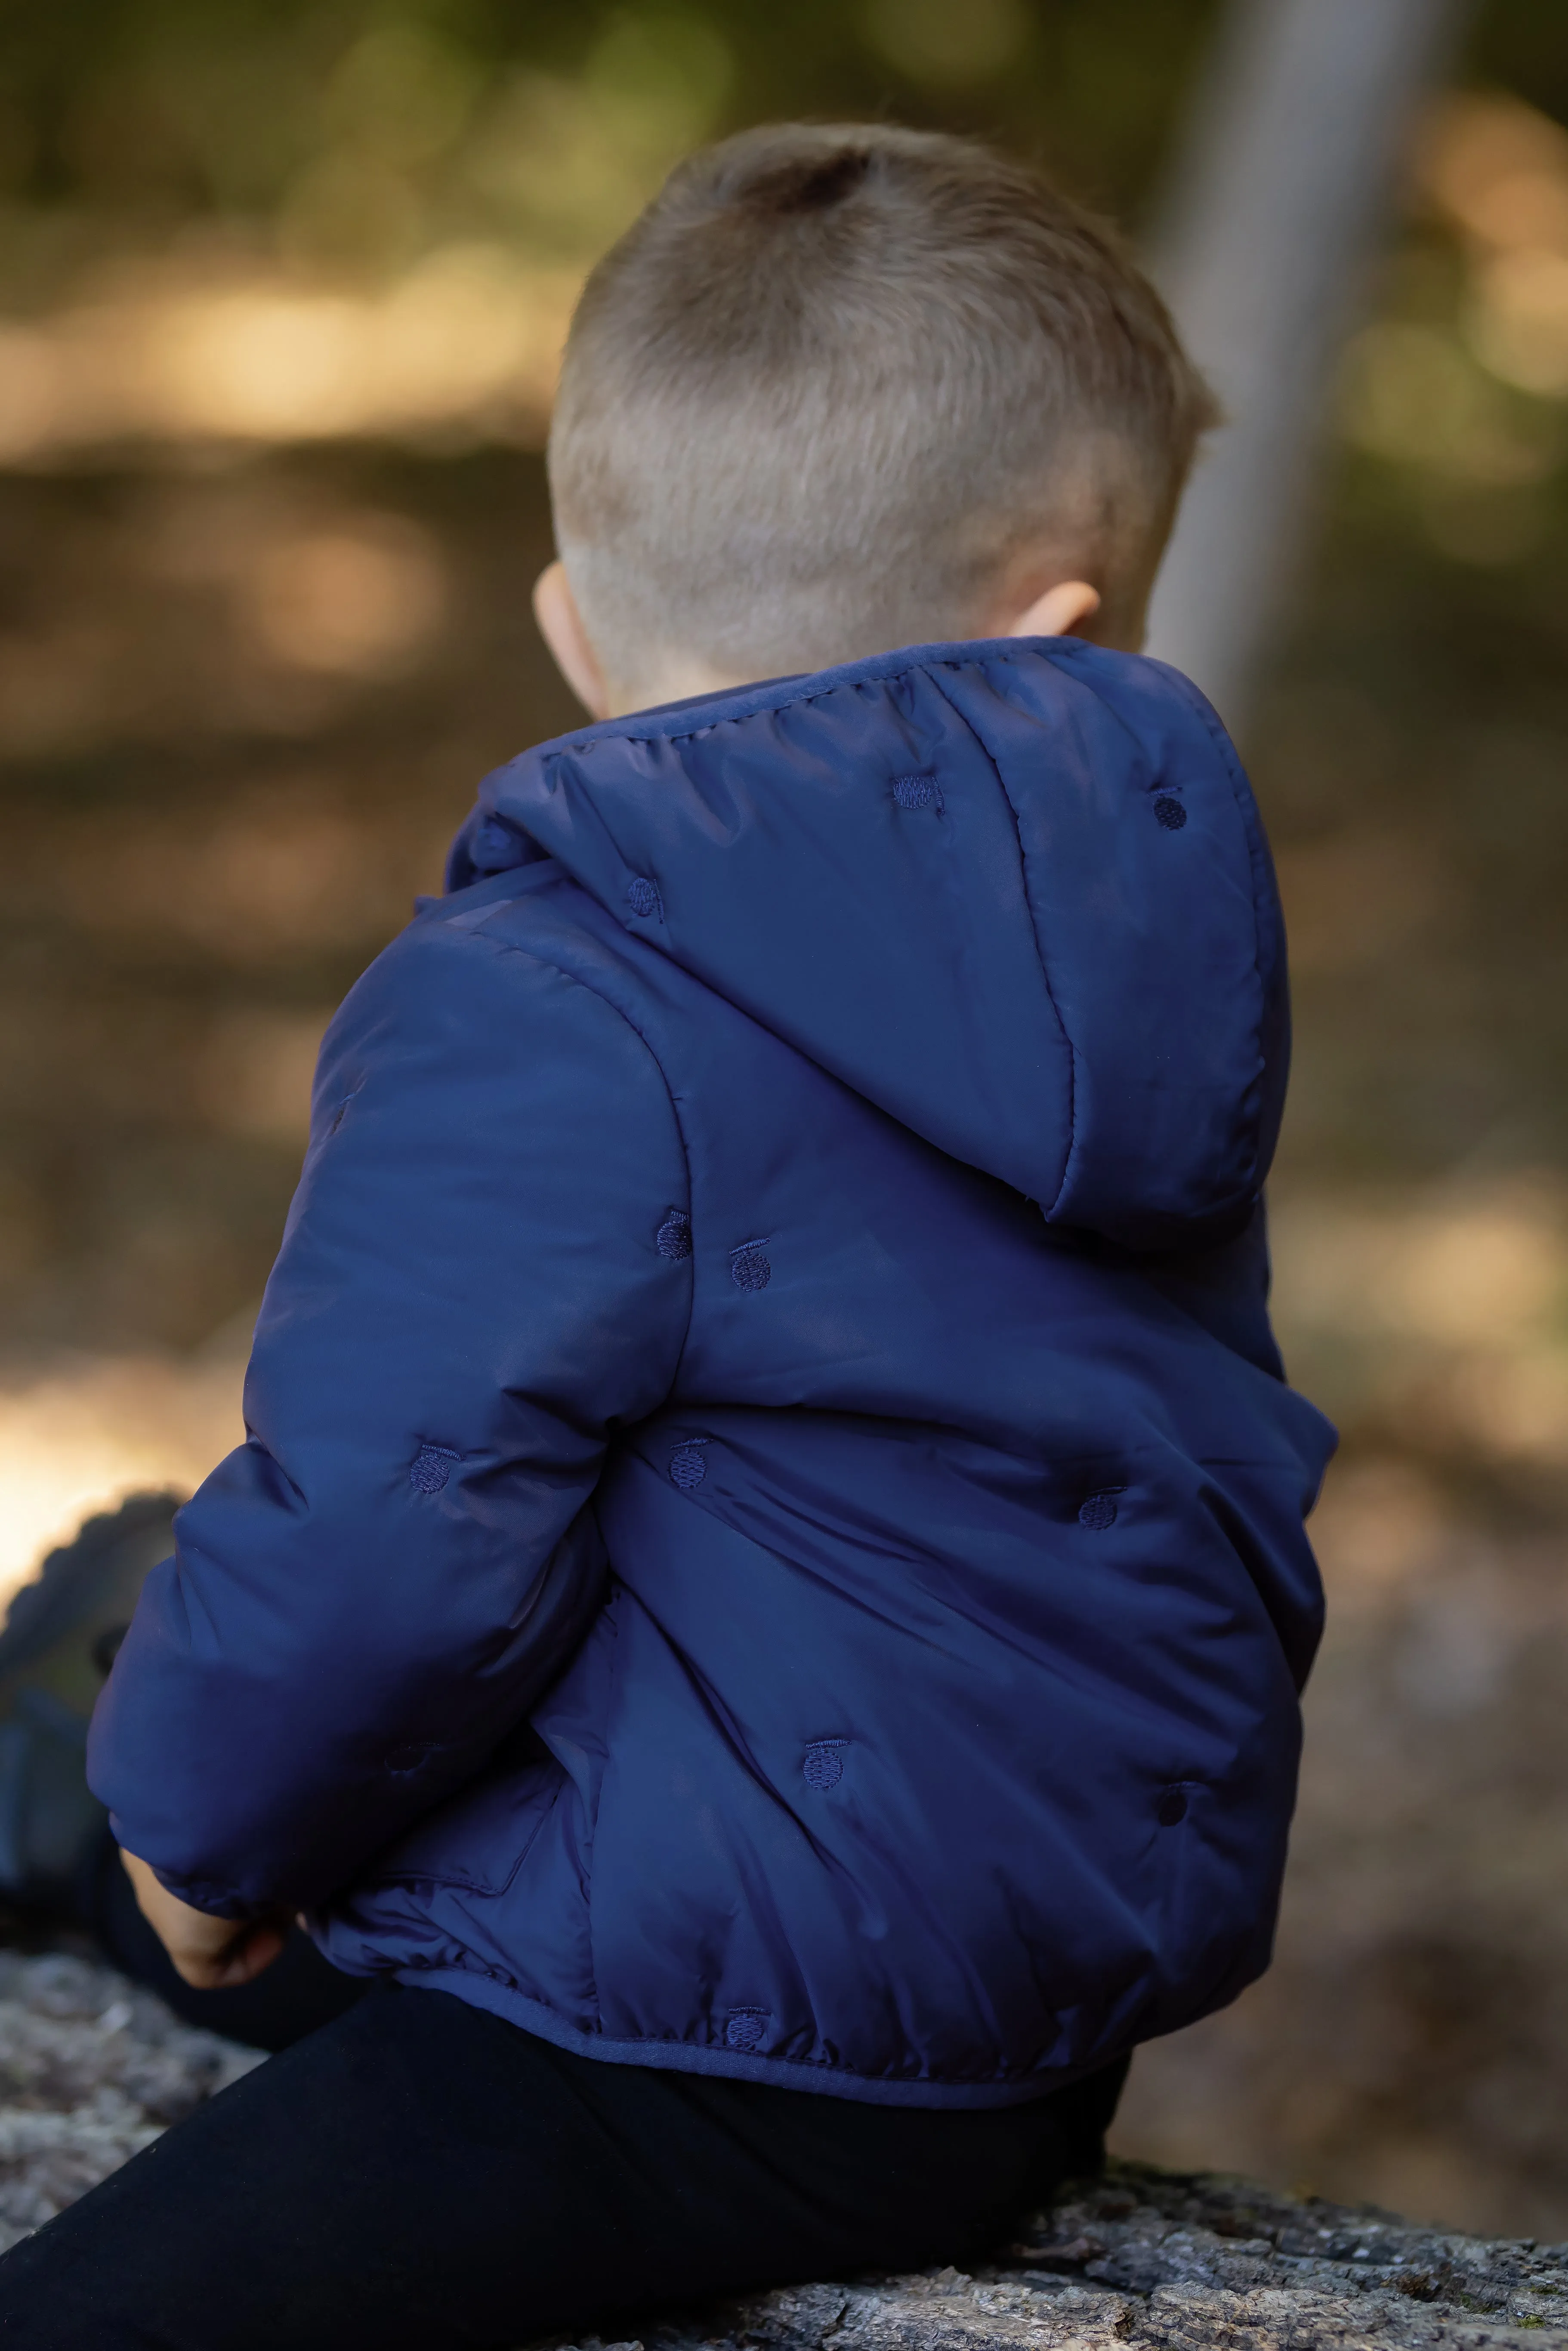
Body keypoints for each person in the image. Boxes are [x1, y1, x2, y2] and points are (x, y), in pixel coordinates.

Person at [0, 122, 1335, 2348]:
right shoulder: (1143, 965)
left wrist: (196, 1844)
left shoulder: (551, 993)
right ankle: (106, 1658)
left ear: (568, 634)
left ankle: (77, 1751)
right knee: (193, 1617)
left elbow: (389, 1521)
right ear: (1074, 636)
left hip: (669, 2037)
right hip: (1027, 2002)